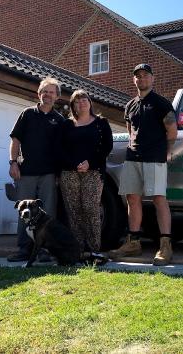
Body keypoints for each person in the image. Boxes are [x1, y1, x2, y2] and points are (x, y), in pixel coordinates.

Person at [108, 63, 178, 266]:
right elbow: (130, 130)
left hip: (154, 158)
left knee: (158, 199)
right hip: (132, 158)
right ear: (134, 80)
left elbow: (172, 131)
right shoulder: (130, 105)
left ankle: (166, 246)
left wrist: (168, 151)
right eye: (138, 76)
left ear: (152, 78)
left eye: (145, 75)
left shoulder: (161, 103)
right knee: (132, 199)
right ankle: (133, 243)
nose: (142, 79)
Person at [7, 77, 64, 262]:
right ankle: (24, 249)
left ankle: (44, 250)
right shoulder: (27, 114)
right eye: (44, 91)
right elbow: (15, 140)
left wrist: (59, 174)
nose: (47, 95)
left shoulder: (59, 120)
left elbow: (62, 150)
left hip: (49, 174)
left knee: (48, 213)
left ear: (57, 97)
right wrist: (13, 162)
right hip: (26, 172)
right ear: (39, 94)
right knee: (24, 212)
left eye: (51, 92)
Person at [59, 89, 113, 255]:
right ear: (73, 106)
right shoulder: (66, 125)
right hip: (69, 172)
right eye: (77, 101)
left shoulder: (101, 123)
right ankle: (78, 249)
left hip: (94, 172)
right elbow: (59, 148)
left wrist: (90, 163)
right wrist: (74, 164)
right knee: (74, 211)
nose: (81, 103)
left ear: (90, 103)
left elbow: (106, 147)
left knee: (91, 209)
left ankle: (95, 249)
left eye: (84, 100)